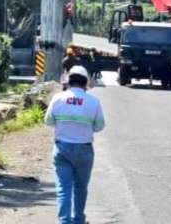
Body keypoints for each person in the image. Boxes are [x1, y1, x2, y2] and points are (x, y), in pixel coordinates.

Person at [45, 65, 106, 224]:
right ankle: (78, 220)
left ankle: (64, 221)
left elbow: (48, 121)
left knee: (63, 189)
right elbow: (99, 126)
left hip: (62, 149)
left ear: (68, 82)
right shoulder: (93, 101)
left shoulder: (58, 99)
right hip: (84, 150)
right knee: (80, 188)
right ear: (86, 83)